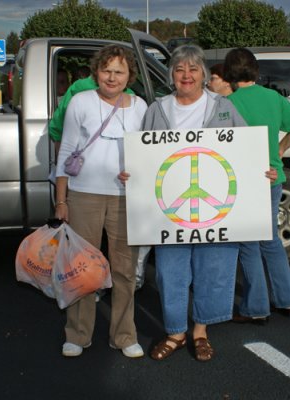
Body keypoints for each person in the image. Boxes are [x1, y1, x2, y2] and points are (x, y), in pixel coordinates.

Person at [120, 45, 246, 362]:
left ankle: (200, 331)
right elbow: (143, 154)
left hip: (215, 209)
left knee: (211, 268)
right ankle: (176, 331)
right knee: (169, 272)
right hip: (170, 209)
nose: (186, 75)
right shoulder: (157, 109)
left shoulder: (224, 108)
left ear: (203, 73)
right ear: (171, 75)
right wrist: (132, 174)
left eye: (192, 69)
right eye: (179, 69)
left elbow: (246, 148)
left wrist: (262, 171)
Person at [55, 44, 148, 358]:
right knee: (82, 269)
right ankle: (77, 335)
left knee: (124, 269)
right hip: (84, 197)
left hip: (126, 199)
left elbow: (150, 155)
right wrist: (61, 200)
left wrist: (138, 173)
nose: (112, 77)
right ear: (96, 72)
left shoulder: (140, 107)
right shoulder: (81, 102)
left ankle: (124, 335)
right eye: (106, 70)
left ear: (129, 76)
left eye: (119, 71)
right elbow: (66, 151)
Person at [223, 48, 290, 323]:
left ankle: (256, 308)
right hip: (272, 177)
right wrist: (281, 149)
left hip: (244, 181)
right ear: (255, 71)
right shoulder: (272, 97)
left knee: (249, 244)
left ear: (228, 73)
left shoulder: (227, 104)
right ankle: (287, 300)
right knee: (271, 241)